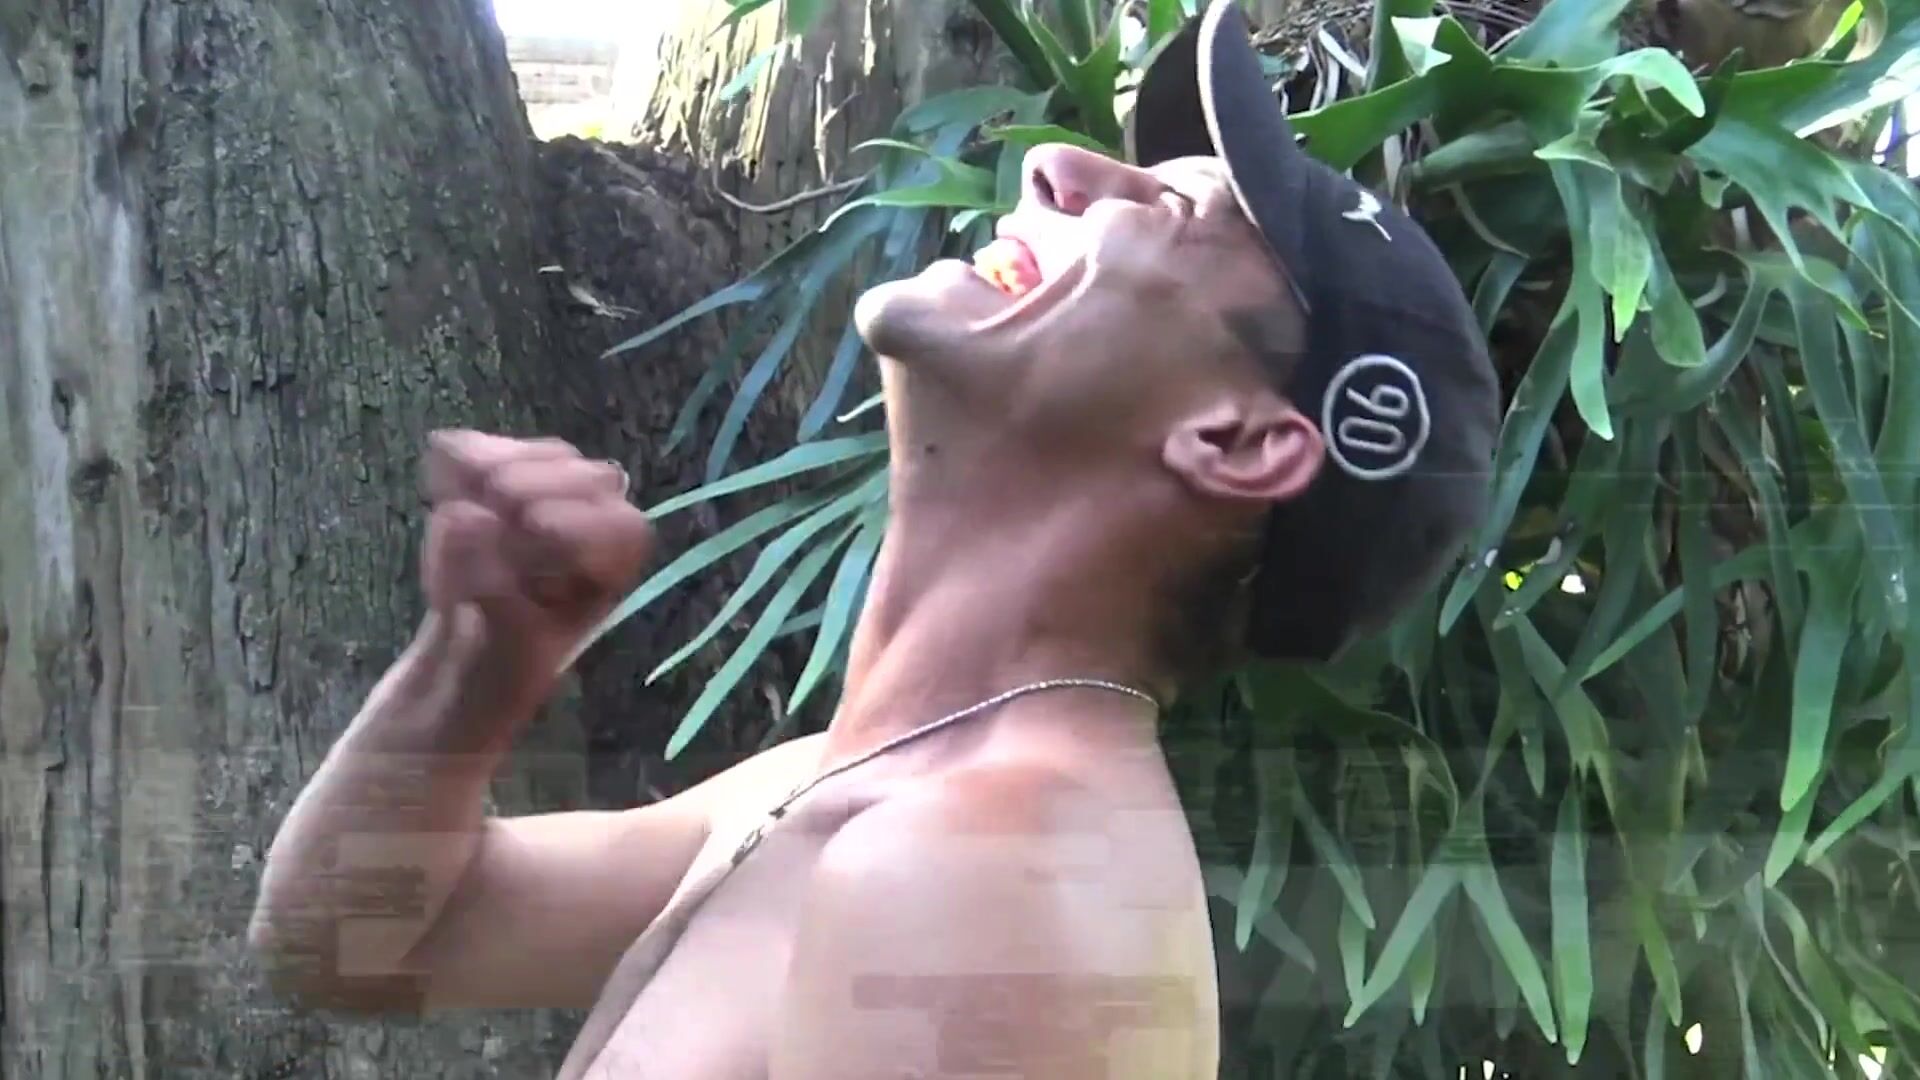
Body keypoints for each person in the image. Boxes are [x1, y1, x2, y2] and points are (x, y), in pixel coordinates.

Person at [246, 1, 1500, 1076]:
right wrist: (479, 667)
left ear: (1236, 444)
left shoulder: (994, 880)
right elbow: (365, 940)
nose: (1056, 169)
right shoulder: (845, 789)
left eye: (1170, 209)